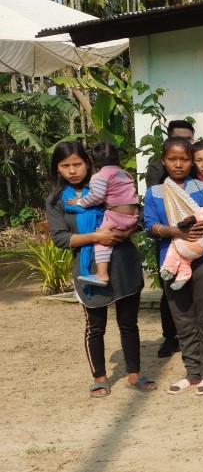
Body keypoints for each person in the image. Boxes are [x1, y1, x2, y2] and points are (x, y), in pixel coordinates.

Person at [46, 142, 156, 397]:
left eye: (77, 164)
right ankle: (100, 377)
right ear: (57, 169)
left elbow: (136, 213)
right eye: (65, 166)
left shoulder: (106, 181)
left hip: (124, 261)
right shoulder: (56, 201)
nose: (72, 170)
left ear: (88, 163)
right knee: (96, 327)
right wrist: (98, 237)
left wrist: (126, 231)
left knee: (129, 323)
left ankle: (134, 375)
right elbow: (61, 238)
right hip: (88, 267)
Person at [145, 137, 203, 395]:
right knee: (182, 318)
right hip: (171, 258)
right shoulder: (154, 193)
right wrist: (174, 231)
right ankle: (192, 372)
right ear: (164, 161)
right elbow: (150, 227)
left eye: (184, 159)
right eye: (172, 159)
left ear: (191, 160)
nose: (178, 164)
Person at [145, 119, 194, 359]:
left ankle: (194, 339)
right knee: (169, 291)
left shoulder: (195, 169)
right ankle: (170, 337)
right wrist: (173, 229)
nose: (183, 145)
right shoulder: (157, 171)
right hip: (167, 240)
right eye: (179, 139)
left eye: (188, 140)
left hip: (197, 239)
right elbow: (160, 205)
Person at [67, 142, 140, 287]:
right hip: (134, 216)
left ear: (93, 163)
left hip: (117, 215)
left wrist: (80, 202)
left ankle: (102, 274)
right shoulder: (124, 173)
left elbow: (97, 196)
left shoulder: (100, 176)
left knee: (101, 239)